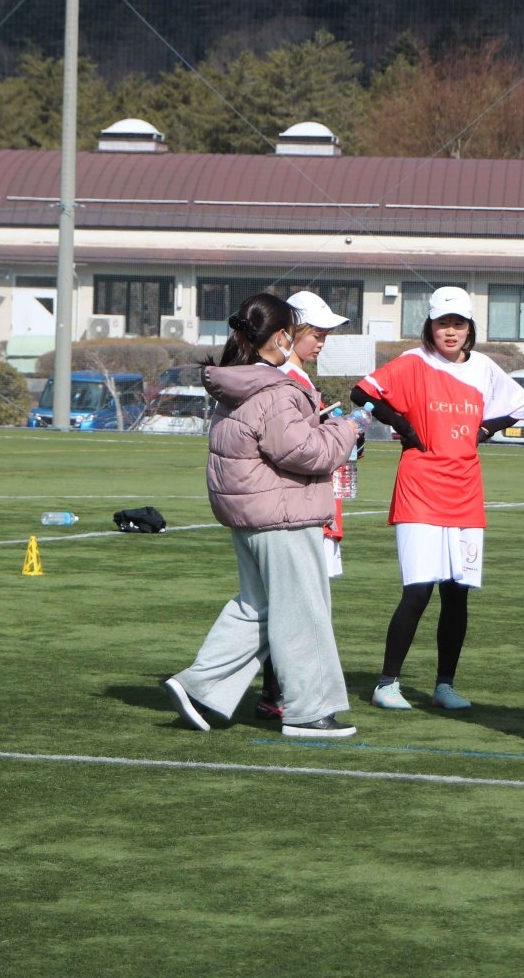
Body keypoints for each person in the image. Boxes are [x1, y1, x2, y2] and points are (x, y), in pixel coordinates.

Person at [164, 293, 362, 739]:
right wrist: (347, 428)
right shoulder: (273, 388)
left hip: (252, 513)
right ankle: (309, 712)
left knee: (256, 608)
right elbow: (306, 452)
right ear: (280, 337)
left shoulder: (238, 382)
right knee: (302, 612)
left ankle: (199, 686)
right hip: (283, 514)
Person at [352, 286, 524, 712]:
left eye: (459, 324)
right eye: (442, 324)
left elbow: (522, 404)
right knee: (417, 590)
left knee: (457, 594)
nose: (450, 332)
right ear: (429, 326)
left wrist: (486, 429)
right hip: (419, 488)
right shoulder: (414, 361)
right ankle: (387, 684)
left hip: (465, 492)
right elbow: (363, 393)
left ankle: (444, 686)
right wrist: (401, 424)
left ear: (470, 329)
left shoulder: (484, 367)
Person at [256, 290, 353, 721]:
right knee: (298, 608)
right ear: (289, 332)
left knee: (280, 607)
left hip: (307, 500)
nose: (321, 343)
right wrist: (340, 436)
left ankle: (273, 693)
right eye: (316, 334)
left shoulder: (296, 378)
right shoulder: (285, 379)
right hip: (295, 504)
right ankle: (290, 698)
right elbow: (297, 448)